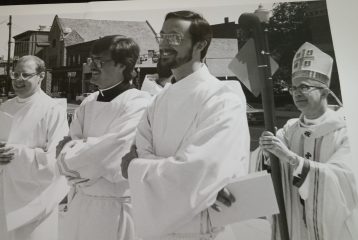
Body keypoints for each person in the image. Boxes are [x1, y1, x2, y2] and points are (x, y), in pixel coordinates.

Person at [121, 10, 250, 240]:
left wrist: (138, 168)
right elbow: (136, 155)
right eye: (162, 36)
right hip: (155, 231)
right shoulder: (159, 99)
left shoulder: (222, 99)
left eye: (174, 37)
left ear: (200, 44)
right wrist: (194, 182)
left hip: (202, 230)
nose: (163, 44)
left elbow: (197, 171)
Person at [257, 42, 358, 240]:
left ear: (324, 91)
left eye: (304, 87)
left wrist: (293, 160)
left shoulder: (345, 131)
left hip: (333, 229)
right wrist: (267, 149)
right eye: (293, 88)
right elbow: (266, 167)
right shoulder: (289, 130)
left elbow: (344, 182)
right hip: (295, 226)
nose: (296, 93)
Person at [56, 35, 150, 240]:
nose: (92, 66)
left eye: (100, 61)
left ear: (123, 65)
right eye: (91, 60)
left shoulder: (140, 104)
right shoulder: (88, 102)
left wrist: (71, 151)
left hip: (114, 210)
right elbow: (72, 153)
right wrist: (79, 153)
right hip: (79, 204)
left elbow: (111, 157)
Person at [0, 55, 69, 240]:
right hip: (4, 196)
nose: (19, 80)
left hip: (35, 202)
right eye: (15, 75)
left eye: (25, 75)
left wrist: (14, 153)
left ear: (41, 76)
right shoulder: (5, 107)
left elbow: (57, 158)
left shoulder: (52, 109)